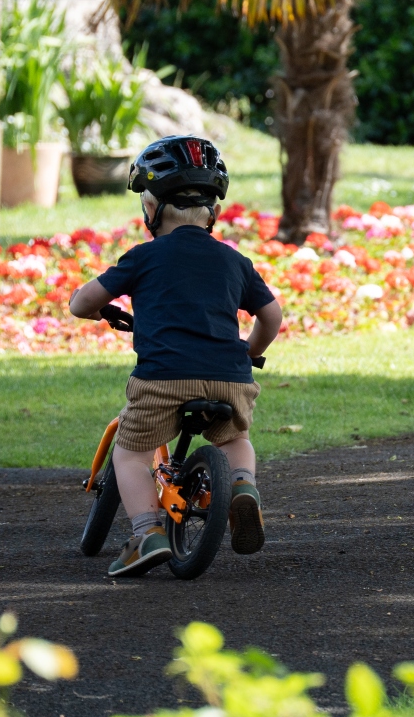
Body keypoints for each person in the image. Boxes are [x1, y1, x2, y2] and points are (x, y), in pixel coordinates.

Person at [69, 136, 282, 577]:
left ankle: (147, 533)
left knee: (130, 454)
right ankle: (243, 486)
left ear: (151, 209)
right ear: (214, 212)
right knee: (234, 439)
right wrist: (249, 352)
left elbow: (80, 302)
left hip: (164, 378)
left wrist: (98, 313)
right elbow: (271, 315)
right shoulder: (234, 261)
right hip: (230, 377)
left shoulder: (144, 257)